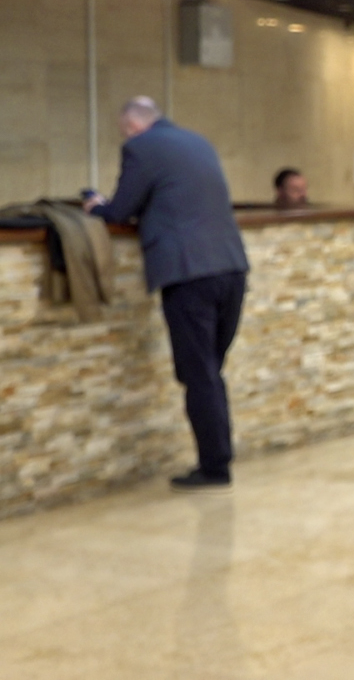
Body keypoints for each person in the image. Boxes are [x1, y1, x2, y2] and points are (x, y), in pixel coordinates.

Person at [84, 96, 249, 493]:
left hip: (188, 272)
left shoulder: (141, 147)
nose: (126, 138)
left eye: (125, 132)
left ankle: (214, 467)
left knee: (199, 373)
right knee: (209, 370)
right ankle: (219, 457)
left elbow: (120, 210)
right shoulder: (198, 141)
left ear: (133, 126)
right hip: (231, 267)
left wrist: (95, 206)